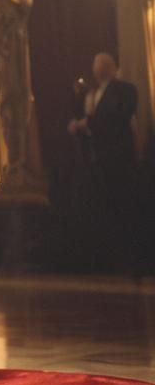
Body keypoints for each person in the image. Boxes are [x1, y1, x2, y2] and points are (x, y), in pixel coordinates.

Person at [68, 51, 142, 275]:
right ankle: (102, 261)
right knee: (100, 211)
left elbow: (119, 116)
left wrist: (87, 122)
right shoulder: (90, 94)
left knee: (122, 209)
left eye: (103, 64)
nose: (98, 67)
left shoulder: (125, 90)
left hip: (117, 160)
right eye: (95, 63)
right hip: (95, 162)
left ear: (113, 67)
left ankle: (128, 261)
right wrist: (78, 127)